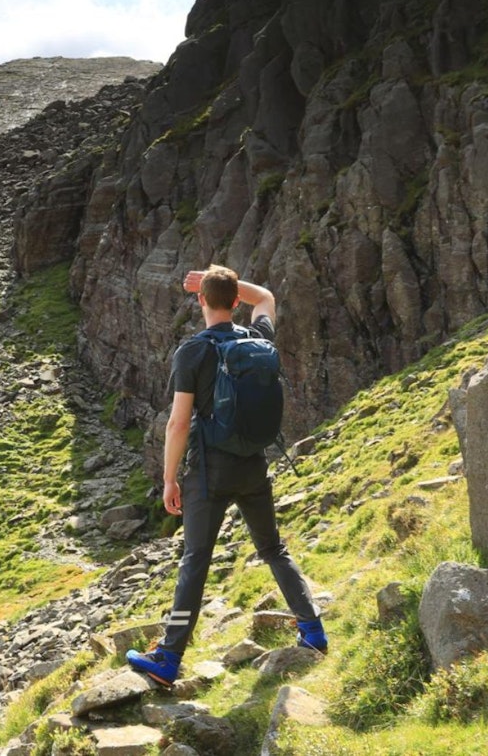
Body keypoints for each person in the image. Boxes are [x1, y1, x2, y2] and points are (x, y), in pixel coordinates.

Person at [126, 265, 327, 687]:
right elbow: (267, 297)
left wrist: (169, 479)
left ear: (201, 301)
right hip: (254, 464)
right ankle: (313, 631)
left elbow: (178, 424)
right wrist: (231, 286)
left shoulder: (192, 351)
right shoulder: (258, 338)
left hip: (208, 472)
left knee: (196, 560)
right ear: (236, 303)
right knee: (273, 548)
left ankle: (168, 658)